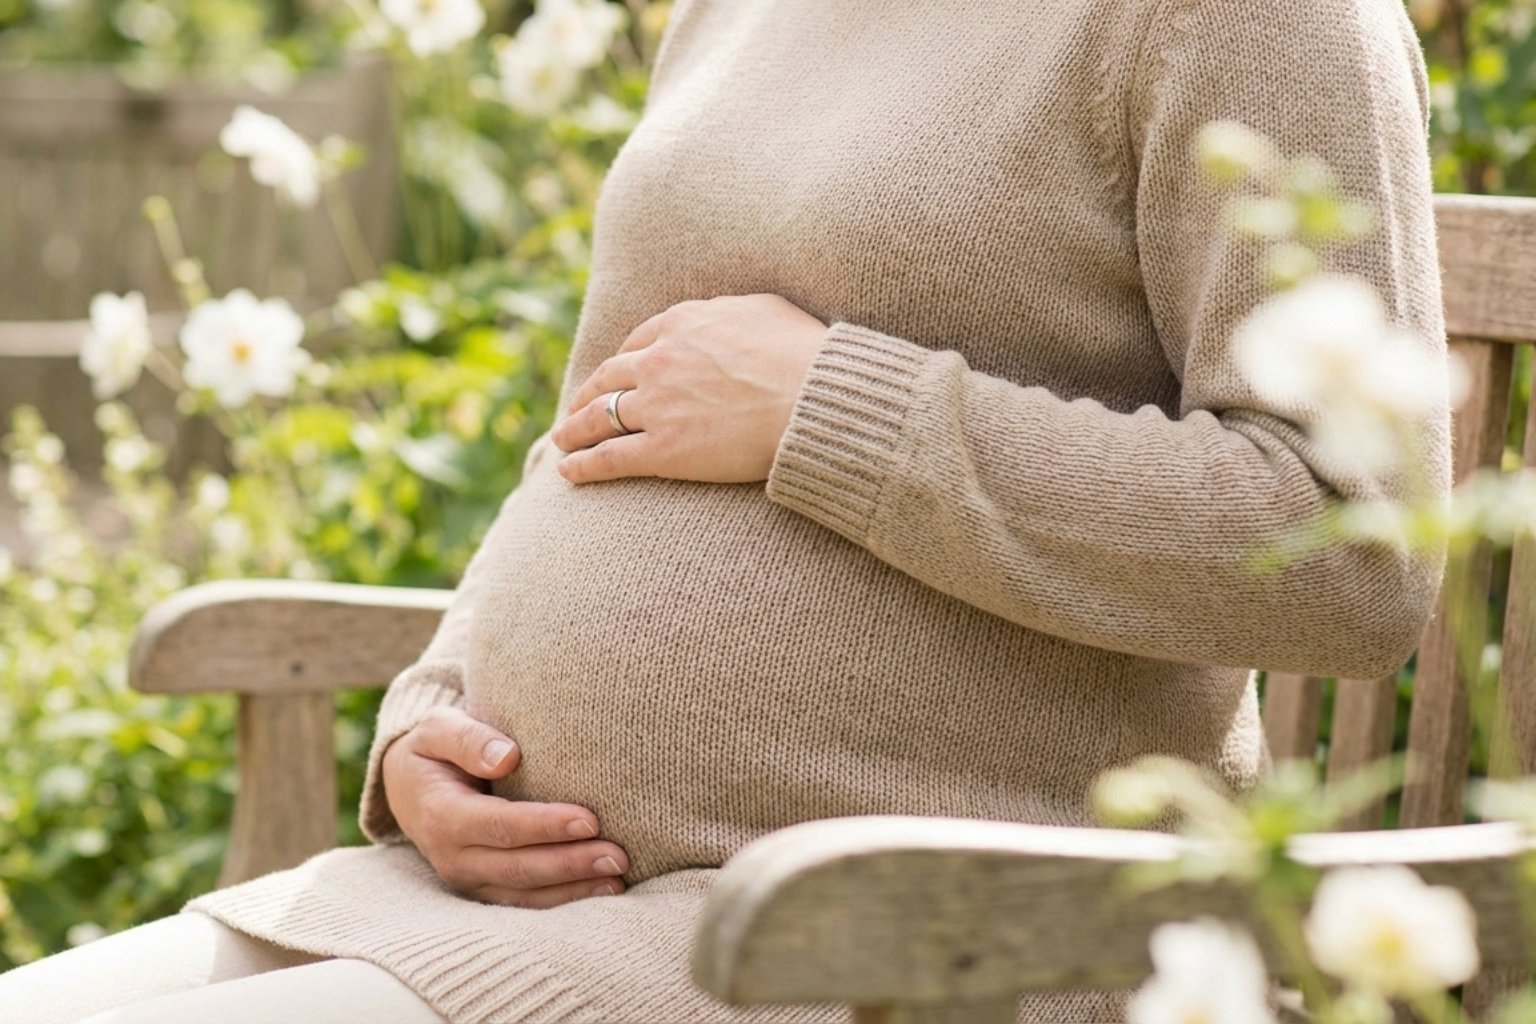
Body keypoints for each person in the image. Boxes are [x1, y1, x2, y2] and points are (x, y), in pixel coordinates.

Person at [0, 0, 1452, 1019]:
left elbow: (1355, 552)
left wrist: (841, 408)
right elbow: (601, 424)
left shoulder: (1259, 17)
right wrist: (433, 719)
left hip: (904, 933)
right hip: (528, 909)